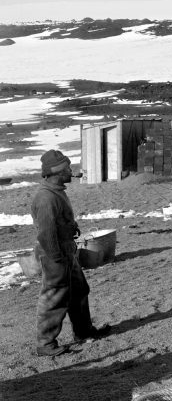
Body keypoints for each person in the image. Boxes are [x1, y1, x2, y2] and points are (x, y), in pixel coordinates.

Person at [31, 150, 109, 357]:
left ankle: (83, 331)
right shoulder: (46, 197)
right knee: (54, 297)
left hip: (66, 250)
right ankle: (46, 344)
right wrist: (56, 258)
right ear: (57, 171)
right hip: (54, 253)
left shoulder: (56, 190)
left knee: (79, 290)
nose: (71, 172)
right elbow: (45, 233)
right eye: (67, 168)